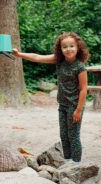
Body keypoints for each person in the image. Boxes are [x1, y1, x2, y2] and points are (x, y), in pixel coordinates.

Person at [13, 32, 90, 164]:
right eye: (64, 47)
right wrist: (19, 54)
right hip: (63, 105)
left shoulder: (80, 67)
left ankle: (76, 165)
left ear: (78, 47)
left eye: (72, 46)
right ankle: (67, 161)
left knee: (73, 136)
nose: (68, 49)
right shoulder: (59, 61)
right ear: (60, 49)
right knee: (64, 136)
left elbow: (83, 90)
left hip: (74, 106)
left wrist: (78, 109)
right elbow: (37, 57)